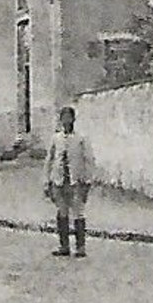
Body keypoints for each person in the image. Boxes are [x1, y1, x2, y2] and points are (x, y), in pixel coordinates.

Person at [43, 105, 95, 258]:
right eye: (63, 118)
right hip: (59, 181)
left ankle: (80, 246)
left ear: (73, 119)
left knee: (78, 213)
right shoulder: (56, 138)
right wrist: (47, 182)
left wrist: (87, 181)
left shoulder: (80, 138)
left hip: (75, 181)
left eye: (69, 118)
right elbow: (50, 160)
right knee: (62, 212)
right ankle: (64, 245)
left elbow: (88, 160)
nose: (66, 121)